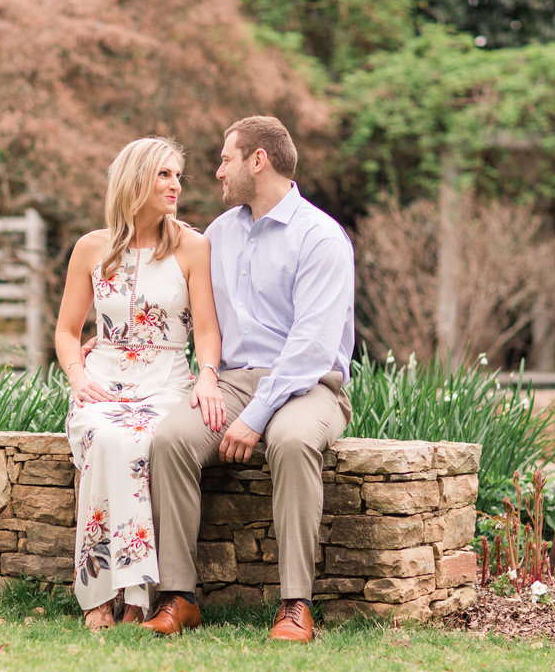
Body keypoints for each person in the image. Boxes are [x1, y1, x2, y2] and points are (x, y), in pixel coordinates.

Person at [142, 116, 354, 643]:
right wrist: (113, 338)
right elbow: (179, 304)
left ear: (258, 160)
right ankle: (179, 597)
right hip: (234, 381)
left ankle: (295, 606)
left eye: (224, 159)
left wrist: (256, 417)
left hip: (310, 385)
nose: (216, 172)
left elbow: (310, 348)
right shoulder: (218, 234)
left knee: (292, 440)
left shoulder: (321, 237)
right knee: (170, 440)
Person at [55, 136, 225, 631]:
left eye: (178, 175)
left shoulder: (193, 247)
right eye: (164, 175)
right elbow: (67, 331)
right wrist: (78, 376)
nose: (176, 185)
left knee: (141, 441)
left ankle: (136, 595)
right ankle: (99, 594)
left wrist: (208, 377)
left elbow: (209, 330)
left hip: (167, 383)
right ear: (135, 180)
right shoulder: (91, 247)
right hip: (102, 383)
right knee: (107, 437)